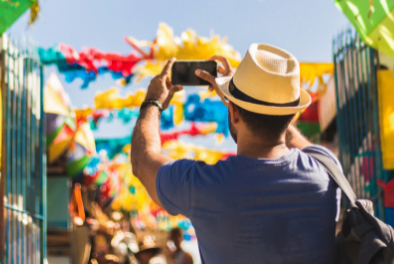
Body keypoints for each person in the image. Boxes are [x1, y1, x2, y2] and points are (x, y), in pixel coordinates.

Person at [131, 44, 342, 264]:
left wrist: (152, 102)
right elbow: (291, 135)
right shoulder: (326, 171)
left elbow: (141, 159)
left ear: (233, 113)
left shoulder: (203, 186)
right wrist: (243, 99)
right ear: (292, 115)